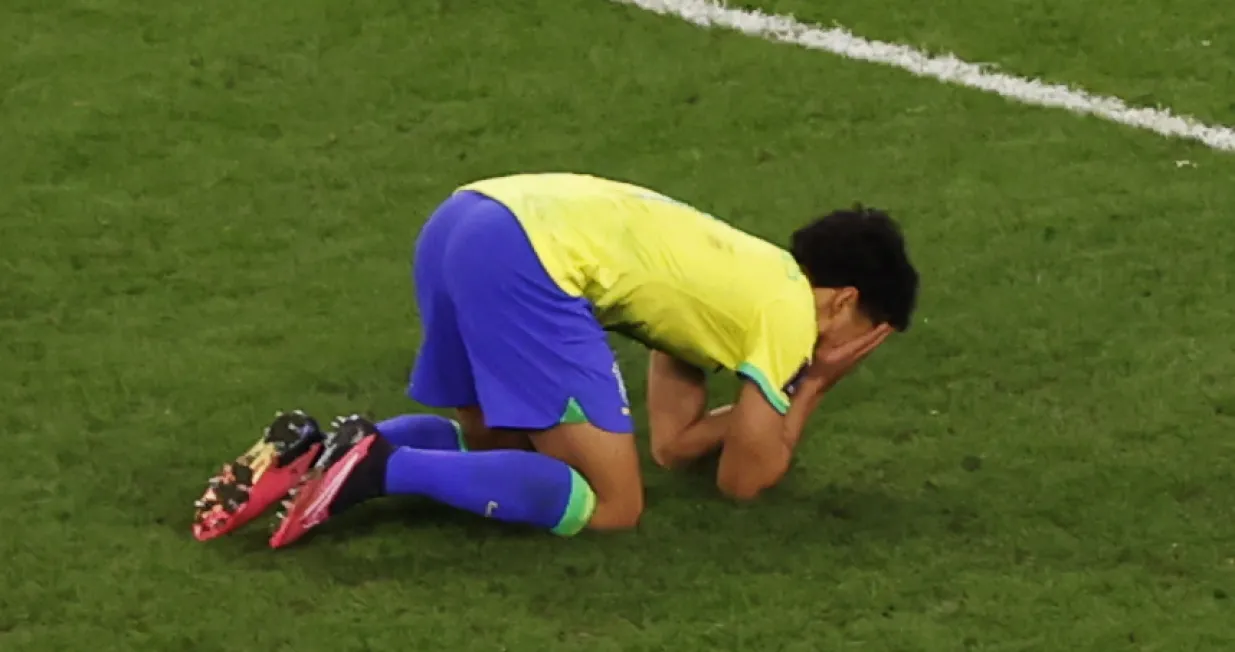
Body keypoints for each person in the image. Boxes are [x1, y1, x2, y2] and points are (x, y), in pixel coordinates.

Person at [191, 173, 919, 547]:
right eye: (868, 329)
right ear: (841, 300)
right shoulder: (791, 316)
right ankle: (378, 467)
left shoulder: (741, 280)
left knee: (501, 452)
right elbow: (744, 481)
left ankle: (328, 447)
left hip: (466, 218)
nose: (856, 346)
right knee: (610, 505)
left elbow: (671, 447)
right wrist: (818, 380)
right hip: (526, 254)